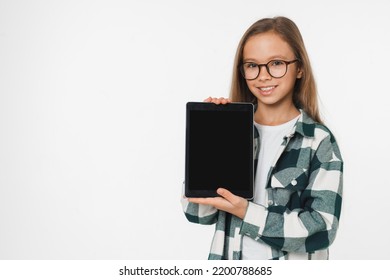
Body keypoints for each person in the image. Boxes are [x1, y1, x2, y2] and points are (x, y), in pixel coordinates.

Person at [181, 16, 343, 260]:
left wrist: (247, 213)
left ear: (299, 68)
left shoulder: (318, 141)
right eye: (252, 65)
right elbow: (197, 213)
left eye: (276, 63)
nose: (263, 75)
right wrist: (208, 138)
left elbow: (322, 230)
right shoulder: (231, 133)